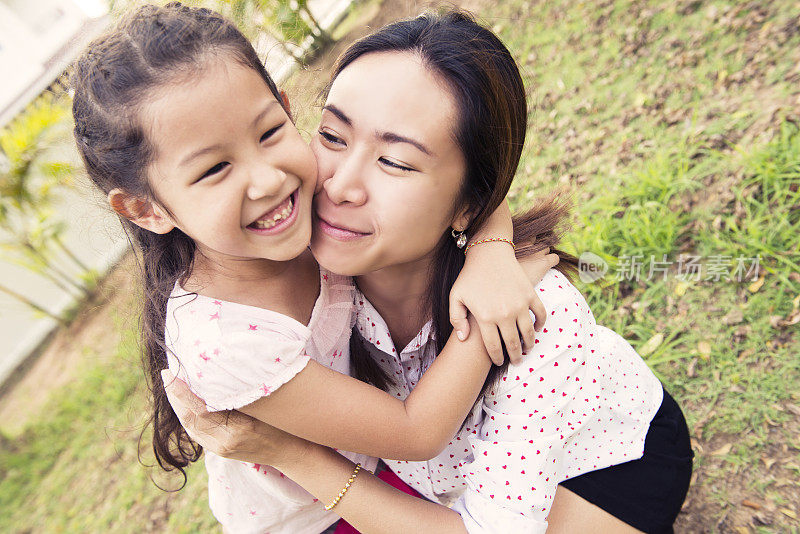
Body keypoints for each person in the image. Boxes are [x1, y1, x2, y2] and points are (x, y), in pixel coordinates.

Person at [166, 9, 694, 534]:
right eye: (332, 136)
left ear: (470, 201)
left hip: (602, 465)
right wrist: (491, 242)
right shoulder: (307, 258)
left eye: (395, 162)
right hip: (449, 484)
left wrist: (288, 453)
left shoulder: (539, 324)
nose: (340, 186)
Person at [71, 3, 558, 533]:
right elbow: (416, 432)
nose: (267, 181)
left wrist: (491, 251)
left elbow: (455, 184)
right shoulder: (225, 339)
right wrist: (494, 308)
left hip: (378, 464)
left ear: (285, 107)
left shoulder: (300, 221)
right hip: (317, 515)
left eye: (268, 133)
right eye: (214, 169)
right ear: (147, 209)